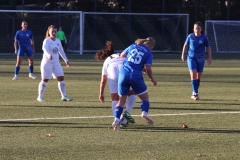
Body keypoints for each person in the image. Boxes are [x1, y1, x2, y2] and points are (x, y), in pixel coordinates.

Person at [112, 37, 157, 131]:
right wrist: (152, 78)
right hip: (135, 76)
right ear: (151, 46)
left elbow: (122, 55)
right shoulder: (149, 53)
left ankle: (116, 119)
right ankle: (144, 113)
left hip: (123, 74)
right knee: (145, 98)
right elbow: (148, 68)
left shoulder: (133, 45)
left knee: (121, 101)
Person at [95, 41, 136, 124]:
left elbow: (103, 81)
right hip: (124, 71)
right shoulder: (122, 55)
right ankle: (127, 112)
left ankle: (118, 118)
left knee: (115, 98)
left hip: (112, 72)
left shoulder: (106, 61)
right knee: (131, 93)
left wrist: (101, 93)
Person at [37, 25, 73, 102]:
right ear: (49, 32)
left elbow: (61, 51)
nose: (54, 33)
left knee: (61, 78)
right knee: (45, 80)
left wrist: (66, 60)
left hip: (56, 63)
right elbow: (44, 49)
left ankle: (64, 96)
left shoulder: (58, 41)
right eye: (52, 32)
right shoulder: (46, 40)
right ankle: (40, 97)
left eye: (55, 32)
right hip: (47, 63)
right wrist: (48, 55)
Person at [181, 21, 212, 100]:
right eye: (195, 28)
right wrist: (183, 54)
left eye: (198, 29)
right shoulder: (190, 37)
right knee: (193, 74)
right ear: (193, 29)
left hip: (201, 58)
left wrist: (210, 57)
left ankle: (194, 92)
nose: (197, 30)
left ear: (201, 29)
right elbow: (185, 45)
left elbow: (208, 47)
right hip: (191, 58)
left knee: (198, 77)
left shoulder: (204, 37)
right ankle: (195, 93)